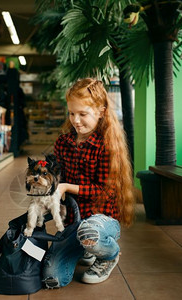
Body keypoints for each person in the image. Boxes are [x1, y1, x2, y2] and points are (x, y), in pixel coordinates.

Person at [42, 78, 135, 288]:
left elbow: (103, 191)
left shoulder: (107, 146)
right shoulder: (63, 142)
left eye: (83, 114)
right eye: (71, 113)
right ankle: (87, 248)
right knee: (51, 277)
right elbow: (58, 177)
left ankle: (108, 255)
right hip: (73, 221)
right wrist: (48, 183)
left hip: (101, 221)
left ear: (101, 111)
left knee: (89, 233)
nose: (75, 120)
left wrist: (66, 188)